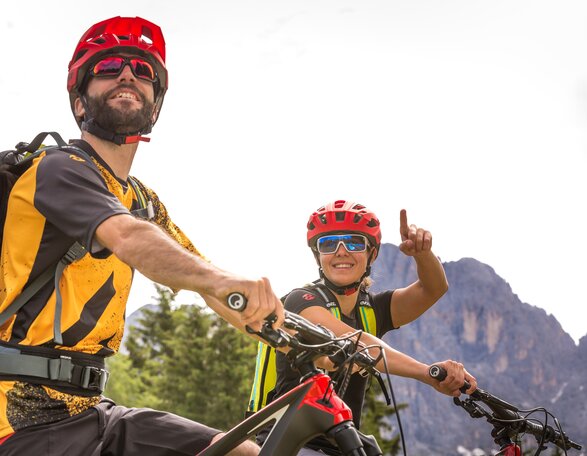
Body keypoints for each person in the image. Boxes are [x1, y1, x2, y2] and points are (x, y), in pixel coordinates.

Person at [0, 16, 283, 456]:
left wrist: (282, 329)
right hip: (19, 421)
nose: (128, 74)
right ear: (79, 102)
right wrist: (217, 283)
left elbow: (201, 275)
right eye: (109, 66)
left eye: (143, 70)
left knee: (243, 452)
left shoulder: (143, 201)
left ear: (155, 105)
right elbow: (129, 238)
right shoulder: (57, 170)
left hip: (90, 412)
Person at [249, 200, 477, 455]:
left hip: (344, 443)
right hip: (290, 443)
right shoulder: (300, 300)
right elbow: (356, 341)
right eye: (328, 244)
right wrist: (428, 372)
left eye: (354, 242)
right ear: (318, 255)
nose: (341, 251)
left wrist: (422, 253)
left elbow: (433, 289)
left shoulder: (372, 309)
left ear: (372, 253)